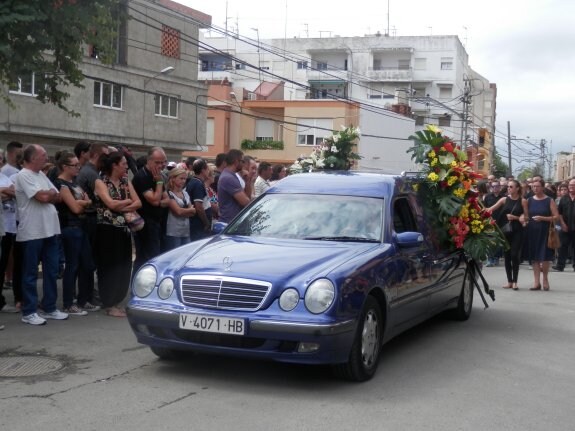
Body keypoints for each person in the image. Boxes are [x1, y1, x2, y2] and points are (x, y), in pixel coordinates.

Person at [14, 144, 67, 325]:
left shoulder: (42, 175)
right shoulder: (23, 175)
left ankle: (50, 307)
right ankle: (29, 311)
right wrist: (49, 193)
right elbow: (44, 197)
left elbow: (59, 197)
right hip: (32, 231)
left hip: (50, 230)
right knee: (30, 273)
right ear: (33, 158)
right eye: (44, 155)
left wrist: (49, 193)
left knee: (51, 271)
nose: (47, 158)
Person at [94, 152, 141, 317]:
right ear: (114, 165)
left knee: (124, 265)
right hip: (106, 230)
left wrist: (122, 205)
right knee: (109, 266)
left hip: (123, 228)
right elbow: (110, 204)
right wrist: (128, 203)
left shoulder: (125, 181)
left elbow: (138, 202)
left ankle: (117, 301)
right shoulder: (101, 182)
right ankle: (109, 302)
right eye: (123, 163)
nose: (126, 166)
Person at [53, 152, 97, 315]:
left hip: (81, 226)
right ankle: (68, 303)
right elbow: (75, 208)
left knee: (87, 264)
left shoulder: (74, 183)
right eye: (75, 165)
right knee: (72, 266)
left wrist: (82, 202)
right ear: (65, 167)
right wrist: (83, 202)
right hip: (70, 227)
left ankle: (83, 299)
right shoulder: (61, 184)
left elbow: (88, 201)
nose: (78, 167)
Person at [131, 147, 169, 272]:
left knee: (155, 255)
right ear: (149, 161)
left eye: (163, 162)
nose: (161, 165)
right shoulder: (142, 176)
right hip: (145, 224)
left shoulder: (159, 176)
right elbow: (154, 200)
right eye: (157, 162)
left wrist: (158, 201)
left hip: (157, 221)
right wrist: (158, 184)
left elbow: (166, 200)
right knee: (147, 258)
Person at [487, 180, 528, 290]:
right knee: (507, 256)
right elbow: (490, 209)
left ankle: (515, 281)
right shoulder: (504, 199)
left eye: (511, 186)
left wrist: (516, 217)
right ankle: (509, 281)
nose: (508, 188)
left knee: (514, 255)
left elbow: (527, 217)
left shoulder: (523, 201)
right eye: (508, 187)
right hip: (505, 231)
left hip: (517, 231)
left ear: (517, 188)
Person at [525, 178, 560, 291]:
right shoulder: (529, 200)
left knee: (544, 257)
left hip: (545, 231)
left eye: (537, 186)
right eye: (533, 186)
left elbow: (556, 217)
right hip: (532, 232)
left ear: (543, 187)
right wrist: (523, 219)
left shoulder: (549, 200)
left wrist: (543, 218)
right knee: (534, 258)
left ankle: (545, 279)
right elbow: (525, 215)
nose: (535, 188)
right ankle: (536, 282)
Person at [217, 150, 252, 223]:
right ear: (236, 161)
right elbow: (245, 202)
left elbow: (247, 197)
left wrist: (248, 181)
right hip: (230, 222)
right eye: (242, 161)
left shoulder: (231, 176)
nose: (243, 165)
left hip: (233, 221)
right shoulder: (228, 178)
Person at [165, 167, 196, 250]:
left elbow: (193, 212)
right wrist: (188, 210)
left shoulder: (184, 193)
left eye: (185, 179)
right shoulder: (168, 193)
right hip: (173, 231)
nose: (183, 181)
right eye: (181, 178)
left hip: (185, 231)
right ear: (173, 178)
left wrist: (186, 211)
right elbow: (178, 211)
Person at [186, 158, 212, 240]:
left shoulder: (195, 182)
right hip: (198, 224)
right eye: (207, 169)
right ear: (203, 170)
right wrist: (206, 223)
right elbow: (199, 206)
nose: (208, 171)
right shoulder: (198, 184)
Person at [554, 178, 575, 272]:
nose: (571, 186)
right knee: (562, 246)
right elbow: (560, 213)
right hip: (565, 226)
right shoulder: (564, 198)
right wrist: (562, 224)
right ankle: (560, 265)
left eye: (573, 185)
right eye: (570, 185)